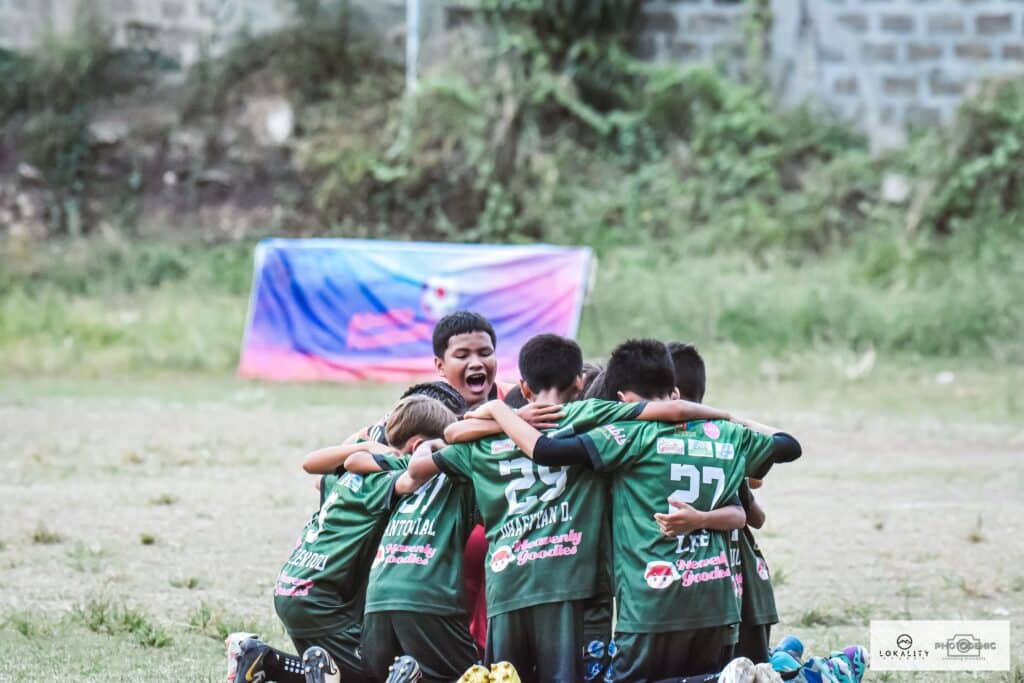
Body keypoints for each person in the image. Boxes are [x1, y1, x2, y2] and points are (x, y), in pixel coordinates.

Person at [399, 334, 735, 682]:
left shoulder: (485, 440)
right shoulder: (591, 416)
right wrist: (727, 420)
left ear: (524, 387)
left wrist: (496, 417)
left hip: (507, 583)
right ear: (580, 382)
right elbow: (668, 410)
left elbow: (422, 464)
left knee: (504, 677)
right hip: (570, 584)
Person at [470, 339, 801, 682]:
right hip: (718, 602)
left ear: (623, 399)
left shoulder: (627, 434)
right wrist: (733, 418)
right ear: (672, 389)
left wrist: (498, 412)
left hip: (651, 603)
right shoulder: (727, 435)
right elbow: (788, 447)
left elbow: (548, 451)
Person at [232, 396, 457, 683]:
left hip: (294, 585)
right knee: (381, 674)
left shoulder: (346, 474)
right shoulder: (388, 474)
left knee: (341, 667)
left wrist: (363, 447)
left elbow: (316, 474)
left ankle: (264, 660)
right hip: (323, 601)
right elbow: (411, 479)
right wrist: (439, 453)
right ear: (416, 446)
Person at [659, 342, 779, 664]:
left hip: (734, 585)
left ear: (671, 395)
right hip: (735, 585)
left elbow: (752, 516)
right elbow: (757, 515)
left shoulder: (685, 444)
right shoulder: (719, 442)